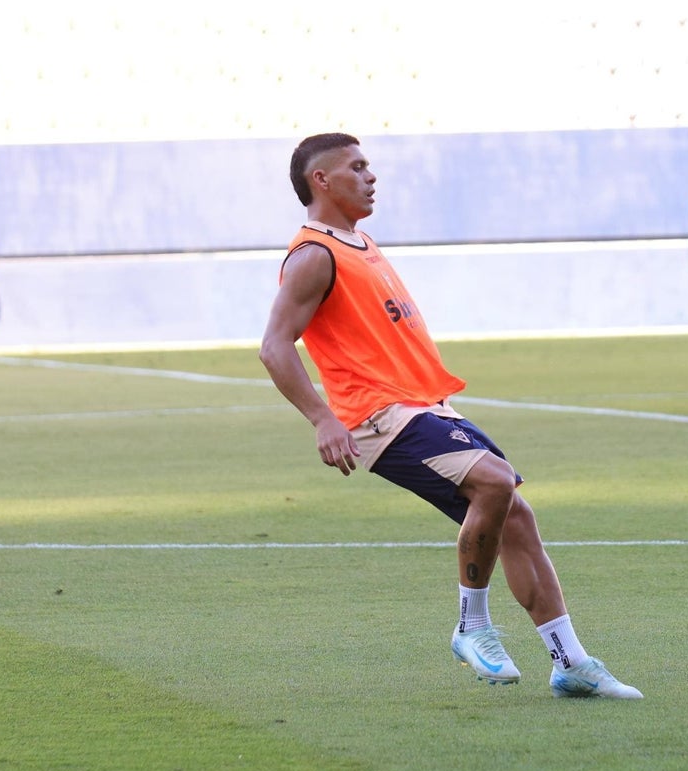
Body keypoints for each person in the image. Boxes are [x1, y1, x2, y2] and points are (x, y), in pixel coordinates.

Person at [259, 133, 642, 700]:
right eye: (357, 167)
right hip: (380, 414)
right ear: (321, 180)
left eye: (370, 166)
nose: (371, 176)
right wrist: (322, 418)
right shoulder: (315, 254)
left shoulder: (358, 242)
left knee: (515, 516)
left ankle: (569, 661)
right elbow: (274, 345)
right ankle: (472, 624)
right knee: (494, 480)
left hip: (423, 404)